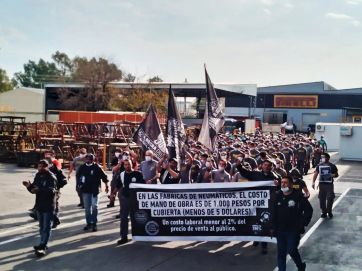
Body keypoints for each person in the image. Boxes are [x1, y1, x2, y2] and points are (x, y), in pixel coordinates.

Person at [237, 159, 281, 254]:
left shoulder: (275, 177)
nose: (266, 167)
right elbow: (245, 173)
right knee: (254, 222)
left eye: (268, 165)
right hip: (255, 203)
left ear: (271, 167)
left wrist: (278, 185)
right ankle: (256, 239)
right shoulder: (256, 174)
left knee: (265, 223)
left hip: (268, 205)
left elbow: (282, 188)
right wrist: (238, 165)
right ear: (261, 165)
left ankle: (264, 245)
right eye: (265, 165)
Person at [271, 176, 313, 271]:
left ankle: (300, 266)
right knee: (281, 253)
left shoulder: (298, 196)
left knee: (291, 249)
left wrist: (302, 224)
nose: (283, 184)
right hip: (280, 230)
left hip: (293, 230)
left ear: (291, 184)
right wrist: (272, 227)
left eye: (285, 182)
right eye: (282, 182)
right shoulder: (277, 195)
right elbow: (272, 212)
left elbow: (308, 211)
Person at [22, 160, 57, 256]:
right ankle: (42, 243)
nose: (39, 168)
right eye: (39, 166)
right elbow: (34, 189)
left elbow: (52, 190)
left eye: (42, 166)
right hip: (39, 205)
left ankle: (43, 245)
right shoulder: (38, 175)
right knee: (41, 227)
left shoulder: (51, 177)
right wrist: (29, 187)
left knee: (46, 227)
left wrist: (39, 190)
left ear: (46, 167)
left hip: (48, 205)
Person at [77, 154, 109, 232]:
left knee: (94, 206)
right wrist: (79, 185)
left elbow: (104, 177)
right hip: (85, 190)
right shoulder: (82, 167)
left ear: (93, 160)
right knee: (87, 208)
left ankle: (94, 223)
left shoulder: (97, 167)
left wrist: (107, 186)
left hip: (95, 190)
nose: (87, 160)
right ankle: (89, 223)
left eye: (89, 159)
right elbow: (78, 176)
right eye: (86, 159)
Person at [116, 159, 145, 245]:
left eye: (128, 164)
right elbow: (118, 186)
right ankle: (124, 237)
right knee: (124, 218)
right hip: (126, 199)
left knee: (136, 218)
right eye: (125, 165)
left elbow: (143, 186)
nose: (127, 166)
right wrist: (113, 194)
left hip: (136, 200)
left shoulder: (138, 174)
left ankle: (138, 235)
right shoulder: (122, 174)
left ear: (132, 164)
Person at [312, 153, 338, 218]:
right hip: (322, 184)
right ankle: (324, 212)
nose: (322, 158)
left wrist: (333, 175)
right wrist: (313, 182)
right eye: (321, 157)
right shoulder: (319, 165)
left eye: (323, 157)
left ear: (328, 158)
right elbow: (316, 173)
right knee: (321, 198)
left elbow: (337, 174)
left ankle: (329, 211)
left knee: (330, 198)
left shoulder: (332, 166)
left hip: (329, 185)